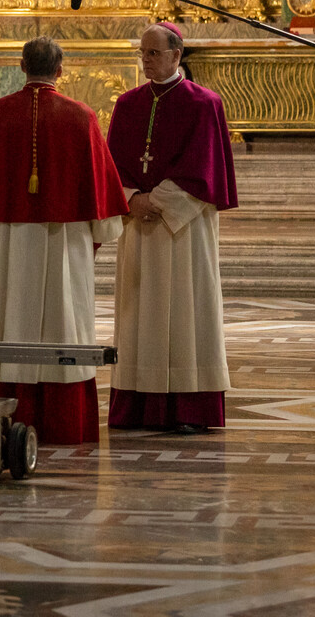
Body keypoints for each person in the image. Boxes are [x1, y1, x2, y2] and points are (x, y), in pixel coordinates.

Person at [0, 36, 128, 445]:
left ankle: (5, 414)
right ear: (60, 69)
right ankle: (64, 422)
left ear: (22, 66)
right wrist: (101, 231)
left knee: (9, 314)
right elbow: (102, 188)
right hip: (66, 238)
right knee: (64, 319)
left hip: (10, 234)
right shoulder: (81, 116)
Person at [105, 23, 237, 435]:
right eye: (142, 53)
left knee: (186, 312)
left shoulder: (205, 104)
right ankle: (137, 406)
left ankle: (189, 407)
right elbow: (111, 166)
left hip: (185, 227)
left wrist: (156, 201)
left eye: (154, 53)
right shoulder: (127, 104)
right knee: (139, 313)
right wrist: (130, 199)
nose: (145, 60)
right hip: (139, 227)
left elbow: (204, 169)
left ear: (177, 55)